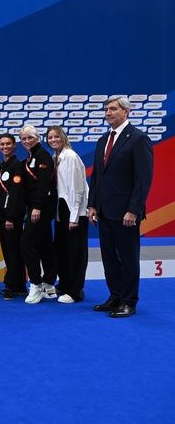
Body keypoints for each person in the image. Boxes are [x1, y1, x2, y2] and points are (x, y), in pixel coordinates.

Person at [88, 95, 153, 318]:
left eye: (113, 109)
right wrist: (93, 206)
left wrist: (134, 209)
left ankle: (128, 301)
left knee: (128, 257)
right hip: (104, 211)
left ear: (126, 112)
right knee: (109, 257)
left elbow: (143, 179)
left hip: (126, 212)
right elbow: (97, 176)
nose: (108, 113)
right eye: (106, 109)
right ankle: (114, 296)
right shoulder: (102, 140)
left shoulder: (137, 138)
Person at [46, 125, 89, 304]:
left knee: (75, 252)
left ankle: (75, 291)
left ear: (63, 137)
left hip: (74, 209)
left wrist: (74, 217)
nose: (53, 140)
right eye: (50, 137)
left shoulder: (70, 157)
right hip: (62, 209)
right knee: (62, 250)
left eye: (56, 136)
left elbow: (77, 189)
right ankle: (64, 284)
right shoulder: (56, 158)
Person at [19, 125, 58, 305]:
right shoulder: (30, 157)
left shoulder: (42, 156)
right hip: (36, 206)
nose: (27, 141)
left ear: (38, 138)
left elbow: (43, 184)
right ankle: (49, 284)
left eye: (30, 138)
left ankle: (36, 283)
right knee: (45, 244)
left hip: (42, 207)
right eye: (24, 139)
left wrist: (37, 207)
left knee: (26, 243)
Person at [0, 133, 27, 301]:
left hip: (10, 217)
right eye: (2, 144)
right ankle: (19, 284)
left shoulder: (16, 166)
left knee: (12, 251)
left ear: (15, 146)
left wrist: (10, 217)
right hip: (2, 216)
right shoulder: (4, 165)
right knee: (10, 250)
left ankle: (11, 285)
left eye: (8, 144)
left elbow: (16, 194)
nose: (5, 147)